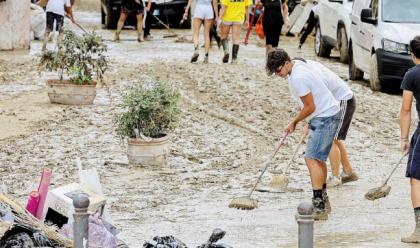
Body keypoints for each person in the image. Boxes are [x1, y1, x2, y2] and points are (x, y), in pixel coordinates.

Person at [266, 48, 342, 220]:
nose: (278, 74)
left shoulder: (298, 77)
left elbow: (310, 107)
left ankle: (319, 207)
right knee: (318, 158)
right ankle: (323, 200)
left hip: (325, 116)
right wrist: (309, 121)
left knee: (311, 158)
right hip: (327, 113)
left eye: (278, 70)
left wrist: (294, 122)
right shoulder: (298, 65)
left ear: (286, 62)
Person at [400, 36, 420, 243]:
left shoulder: (412, 75)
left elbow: (405, 110)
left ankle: (419, 231)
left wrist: (404, 138)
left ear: (413, 55)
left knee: (417, 179)